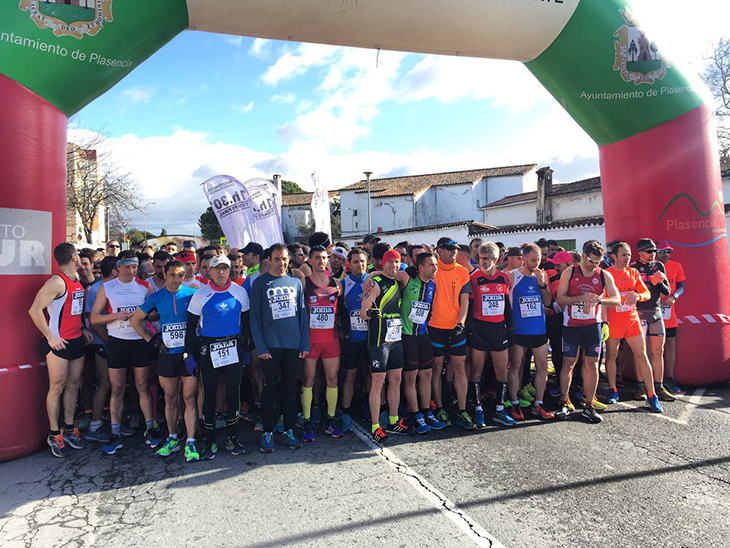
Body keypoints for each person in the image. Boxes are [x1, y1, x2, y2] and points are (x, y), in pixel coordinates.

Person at [90, 251, 161, 454]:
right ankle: (115, 433)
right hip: (118, 343)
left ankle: (150, 428)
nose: (131, 271)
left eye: (134, 267)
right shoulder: (107, 288)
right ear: (117, 268)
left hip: (140, 342)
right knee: (118, 388)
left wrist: (142, 316)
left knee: (142, 386)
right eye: (127, 267)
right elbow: (94, 318)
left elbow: (156, 312)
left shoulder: (144, 286)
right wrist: (115, 316)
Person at [28, 243, 93, 458]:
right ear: (74, 258)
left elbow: (74, 311)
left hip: (76, 340)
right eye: (79, 257)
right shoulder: (56, 282)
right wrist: (50, 337)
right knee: (56, 387)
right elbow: (34, 310)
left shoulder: (76, 281)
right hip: (59, 343)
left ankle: (68, 428)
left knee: (74, 385)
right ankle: (54, 433)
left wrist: (83, 329)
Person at [131, 260, 201, 461]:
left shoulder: (191, 294)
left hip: (188, 354)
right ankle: (172, 437)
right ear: (165, 274)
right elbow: (136, 320)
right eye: (173, 275)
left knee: (189, 398)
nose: (177, 279)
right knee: (170, 397)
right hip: (167, 354)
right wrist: (152, 340)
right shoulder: (157, 297)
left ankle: (191, 441)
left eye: (181, 275)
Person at [184, 255, 250, 458]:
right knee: (209, 394)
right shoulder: (200, 295)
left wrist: (247, 350)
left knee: (233, 393)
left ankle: (232, 437)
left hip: (233, 347)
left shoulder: (240, 292)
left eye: (225, 268)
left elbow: (246, 325)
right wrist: (189, 356)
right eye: (217, 269)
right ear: (209, 272)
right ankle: (210, 439)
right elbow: (191, 328)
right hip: (208, 348)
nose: (221, 272)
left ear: (230, 270)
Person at [250, 244, 309, 453]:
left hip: (292, 345)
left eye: (285, 259)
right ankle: (267, 431)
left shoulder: (295, 282)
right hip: (270, 346)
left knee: (290, 389)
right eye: (277, 259)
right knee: (270, 389)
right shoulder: (259, 284)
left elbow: (303, 315)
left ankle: (289, 430)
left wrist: (304, 343)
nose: (282, 263)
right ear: (270, 260)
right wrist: (261, 346)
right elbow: (254, 319)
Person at [555, 240, 621, 424]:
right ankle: (563, 401)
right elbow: (560, 299)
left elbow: (616, 299)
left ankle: (589, 405)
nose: (594, 265)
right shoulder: (570, 272)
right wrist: (581, 298)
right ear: (584, 256)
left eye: (598, 262)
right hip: (572, 325)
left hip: (593, 325)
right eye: (591, 261)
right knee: (569, 363)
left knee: (592, 364)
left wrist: (598, 301)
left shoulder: (603, 275)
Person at [604, 242, 663, 412]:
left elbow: (647, 293)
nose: (627, 258)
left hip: (632, 320)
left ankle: (652, 395)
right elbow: (603, 299)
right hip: (614, 321)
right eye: (624, 255)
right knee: (612, 356)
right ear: (614, 256)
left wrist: (637, 295)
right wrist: (617, 302)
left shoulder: (633, 272)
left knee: (642, 356)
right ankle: (613, 390)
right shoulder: (607, 274)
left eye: (629, 255)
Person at [296, 245, 344, 441]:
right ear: (310, 259)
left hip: (330, 340)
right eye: (317, 258)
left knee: (332, 380)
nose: (321, 261)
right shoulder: (304, 283)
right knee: (309, 380)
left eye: (324, 258)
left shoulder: (337, 283)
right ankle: (307, 421)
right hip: (310, 340)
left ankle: (331, 419)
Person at [361, 249, 409, 443]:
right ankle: (375, 426)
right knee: (378, 383)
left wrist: (372, 273)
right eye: (390, 262)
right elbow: (363, 311)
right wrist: (373, 314)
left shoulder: (399, 281)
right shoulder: (376, 285)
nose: (394, 266)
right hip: (379, 341)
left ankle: (393, 420)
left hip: (395, 339)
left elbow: (405, 273)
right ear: (384, 263)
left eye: (397, 263)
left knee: (396, 379)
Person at [468, 242, 518, 427]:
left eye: (487, 259)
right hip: (480, 329)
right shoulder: (474, 278)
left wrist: (510, 329)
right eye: (480, 258)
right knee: (476, 371)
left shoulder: (504, 278)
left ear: (496, 260)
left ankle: (499, 410)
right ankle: (478, 409)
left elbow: (506, 306)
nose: (483, 262)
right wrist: (471, 332)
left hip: (498, 331)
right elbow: (470, 307)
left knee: (501, 372)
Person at [429, 237, 475, 430]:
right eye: (449, 249)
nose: (453, 252)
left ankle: (462, 410)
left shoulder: (462, 271)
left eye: (455, 249)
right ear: (440, 250)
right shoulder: (432, 268)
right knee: (437, 369)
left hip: (456, 328)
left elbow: (465, 301)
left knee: (459, 368)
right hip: (434, 327)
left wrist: (460, 323)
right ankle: (440, 407)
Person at [506, 244, 555, 422]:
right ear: (523, 258)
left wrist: (542, 284)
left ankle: (538, 404)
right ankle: (514, 402)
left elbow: (548, 301)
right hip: (519, 330)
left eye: (539, 260)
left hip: (538, 329)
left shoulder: (542, 276)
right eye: (533, 260)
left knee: (542, 366)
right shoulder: (512, 276)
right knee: (516, 366)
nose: (536, 263)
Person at [398, 252, 446, 433]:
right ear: (420, 267)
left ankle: (427, 412)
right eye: (432, 265)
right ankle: (416, 415)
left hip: (424, 335)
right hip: (407, 335)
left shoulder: (433, 284)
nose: (435, 268)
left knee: (426, 375)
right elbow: (386, 272)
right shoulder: (407, 279)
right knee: (411, 377)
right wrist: (369, 277)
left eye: (436, 264)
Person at [631, 238, 675, 402]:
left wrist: (659, 282)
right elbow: (634, 290)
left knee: (658, 351)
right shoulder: (634, 268)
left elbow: (666, 291)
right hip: (639, 312)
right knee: (640, 353)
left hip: (656, 312)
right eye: (649, 251)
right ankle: (641, 386)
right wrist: (651, 282)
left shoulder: (659, 266)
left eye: (654, 251)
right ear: (640, 252)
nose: (653, 254)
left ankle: (659, 386)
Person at [83, 256, 117, 443]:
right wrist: (108, 341)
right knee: (105, 383)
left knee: (114, 384)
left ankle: (113, 422)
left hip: (110, 341)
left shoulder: (113, 288)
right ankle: (94, 426)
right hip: (101, 342)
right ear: (114, 271)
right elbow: (92, 321)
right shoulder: (96, 290)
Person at [339, 248, 370, 432]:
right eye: (356, 262)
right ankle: (346, 414)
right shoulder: (344, 284)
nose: (360, 265)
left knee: (370, 375)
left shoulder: (373, 282)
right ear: (349, 264)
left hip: (371, 337)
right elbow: (336, 309)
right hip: (353, 338)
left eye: (363, 261)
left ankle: (371, 408)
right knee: (350, 376)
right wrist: (341, 329)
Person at [656, 240, 686, 394]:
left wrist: (674, 296)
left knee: (670, 344)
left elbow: (681, 287)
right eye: (663, 251)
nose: (667, 254)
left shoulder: (676, 266)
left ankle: (670, 377)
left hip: (669, 313)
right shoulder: (651, 267)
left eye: (669, 252)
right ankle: (656, 380)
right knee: (654, 347)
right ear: (656, 252)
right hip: (653, 311)